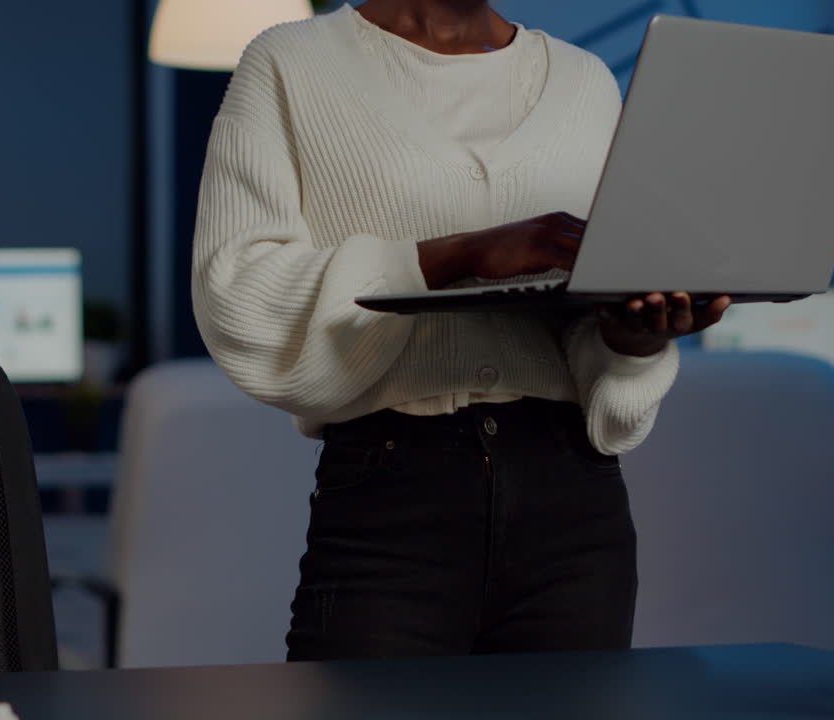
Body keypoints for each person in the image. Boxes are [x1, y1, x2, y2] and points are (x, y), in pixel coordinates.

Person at [191, 0, 731, 661]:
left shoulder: (586, 82)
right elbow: (237, 292)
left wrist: (637, 338)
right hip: (392, 502)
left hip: (575, 507)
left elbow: (595, 325)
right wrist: (455, 254)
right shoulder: (289, 64)